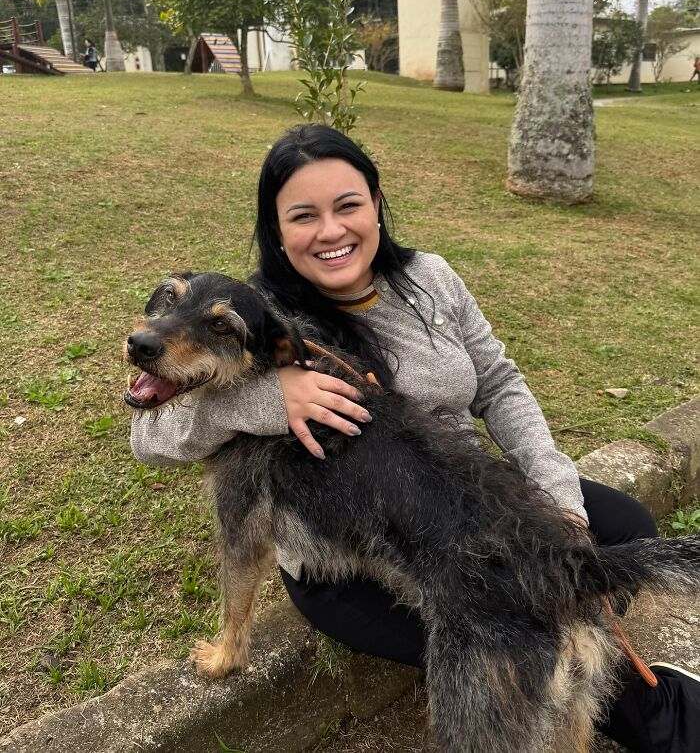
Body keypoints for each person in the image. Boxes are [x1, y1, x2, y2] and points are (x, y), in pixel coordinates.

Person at [130, 125, 699, 752]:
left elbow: (501, 385)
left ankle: (596, 672)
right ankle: (657, 709)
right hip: (350, 561)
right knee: (526, 622)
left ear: (376, 203)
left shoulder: (430, 278)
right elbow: (152, 439)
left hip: (458, 500)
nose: (330, 231)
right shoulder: (252, 315)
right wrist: (270, 397)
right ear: (277, 229)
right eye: (303, 216)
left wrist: (558, 500)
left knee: (627, 528)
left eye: (347, 205)